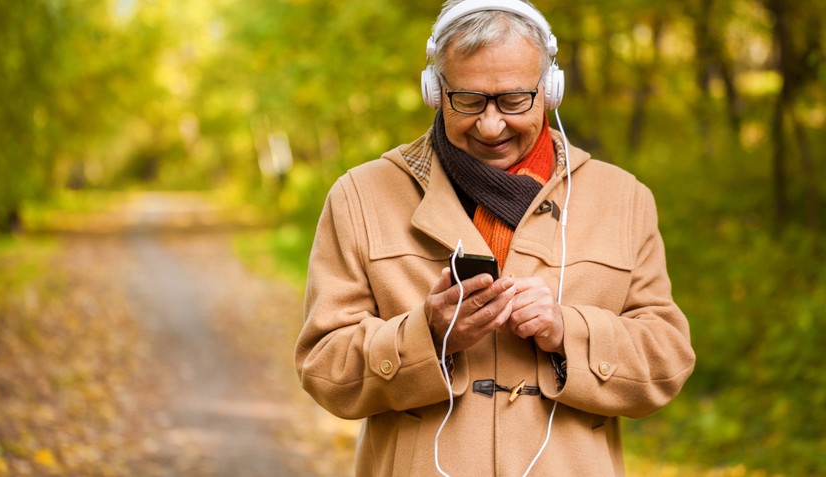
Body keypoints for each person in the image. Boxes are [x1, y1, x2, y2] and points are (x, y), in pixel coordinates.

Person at [295, 0, 696, 475]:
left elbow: (667, 359)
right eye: (468, 100)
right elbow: (324, 367)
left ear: (549, 92)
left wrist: (568, 332)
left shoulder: (623, 199)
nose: (490, 125)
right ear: (435, 91)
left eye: (513, 100)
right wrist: (427, 336)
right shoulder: (360, 197)